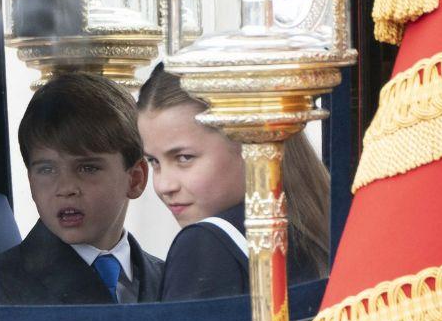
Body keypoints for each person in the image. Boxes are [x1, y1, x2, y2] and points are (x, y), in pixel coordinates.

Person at [136, 64, 330, 301]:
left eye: (184, 158)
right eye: (154, 161)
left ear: (249, 144)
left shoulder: (207, 243)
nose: (164, 185)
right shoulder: (321, 227)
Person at [0, 73, 164, 305]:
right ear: (31, 182)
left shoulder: (173, 282)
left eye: (87, 168)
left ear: (135, 179)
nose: (65, 188)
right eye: (46, 170)